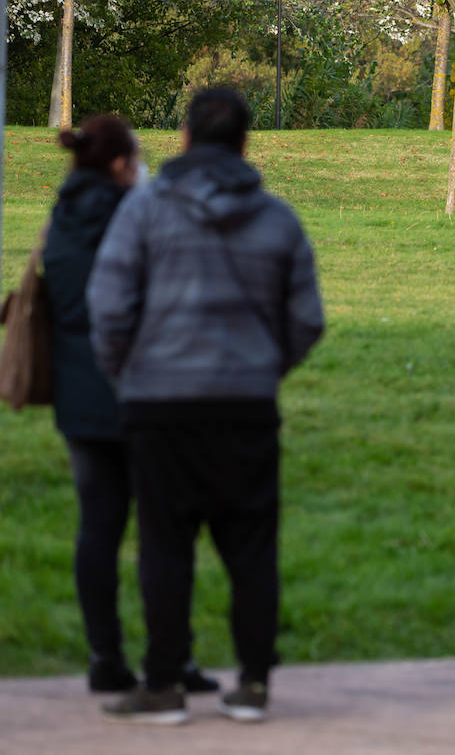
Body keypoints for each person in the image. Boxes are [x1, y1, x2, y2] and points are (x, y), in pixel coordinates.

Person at [88, 88, 325, 724]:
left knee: (165, 547)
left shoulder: (142, 212)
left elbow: (107, 309)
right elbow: (306, 320)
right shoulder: (278, 220)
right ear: (245, 143)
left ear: (186, 138)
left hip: (158, 406)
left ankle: (162, 686)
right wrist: (262, 367)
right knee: (252, 550)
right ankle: (252, 685)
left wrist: (129, 375)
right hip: (245, 406)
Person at [43, 115, 218, 697]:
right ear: (120, 164)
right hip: (142, 390)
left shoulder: (61, 216)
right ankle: (173, 659)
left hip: (79, 397)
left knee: (97, 528)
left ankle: (104, 658)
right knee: (164, 531)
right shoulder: (134, 215)